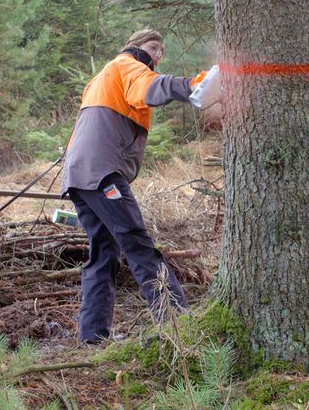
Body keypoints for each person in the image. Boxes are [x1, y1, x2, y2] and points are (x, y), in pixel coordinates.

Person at [60, 28, 207, 344]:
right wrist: (195, 85)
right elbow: (151, 87)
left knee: (103, 254)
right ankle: (178, 324)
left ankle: (92, 338)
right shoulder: (128, 64)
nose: (157, 55)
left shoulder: (103, 77)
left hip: (80, 176)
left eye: (161, 51)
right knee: (138, 245)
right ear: (134, 46)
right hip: (101, 174)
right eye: (153, 47)